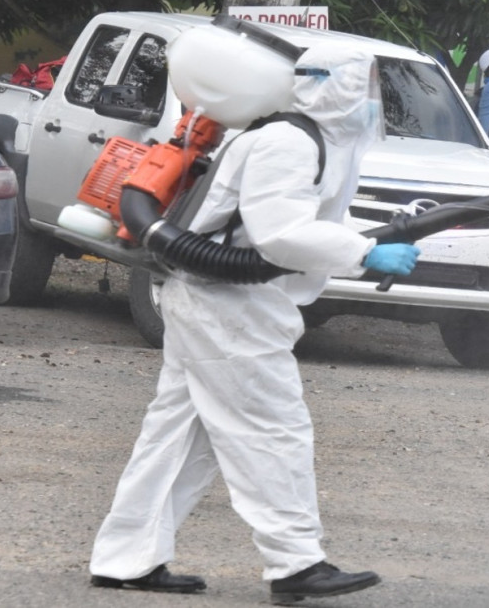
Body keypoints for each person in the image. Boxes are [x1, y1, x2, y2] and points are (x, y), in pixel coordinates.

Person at [89, 44, 420, 605]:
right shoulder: (288, 142)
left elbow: (299, 222)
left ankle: (127, 559)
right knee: (273, 429)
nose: (371, 102)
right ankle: (296, 564)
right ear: (335, 87)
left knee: (177, 438)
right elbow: (278, 234)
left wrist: (367, 237)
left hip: (219, 303)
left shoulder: (306, 140)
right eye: (362, 87)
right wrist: (365, 253)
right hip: (229, 307)